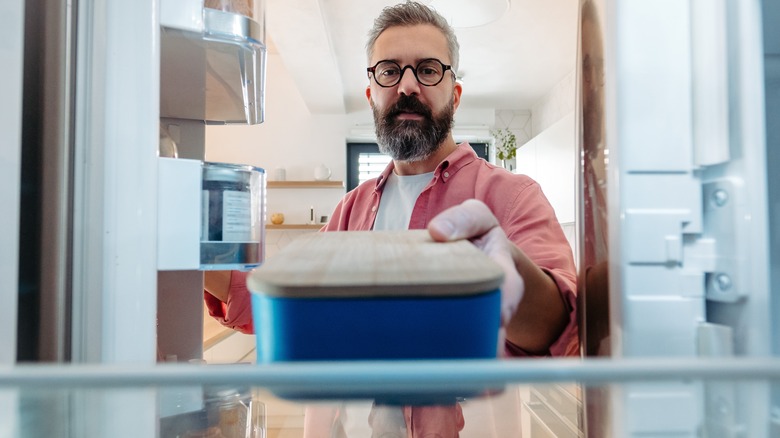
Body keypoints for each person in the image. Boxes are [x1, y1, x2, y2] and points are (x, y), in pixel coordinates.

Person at [204, 1, 577, 435]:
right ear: (372, 96)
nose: (407, 86)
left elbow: (561, 331)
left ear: (454, 94)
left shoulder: (512, 196)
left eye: (428, 69)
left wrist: (507, 272)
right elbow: (278, 302)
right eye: (389, 71)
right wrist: (185, 257)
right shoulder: (351, 210)